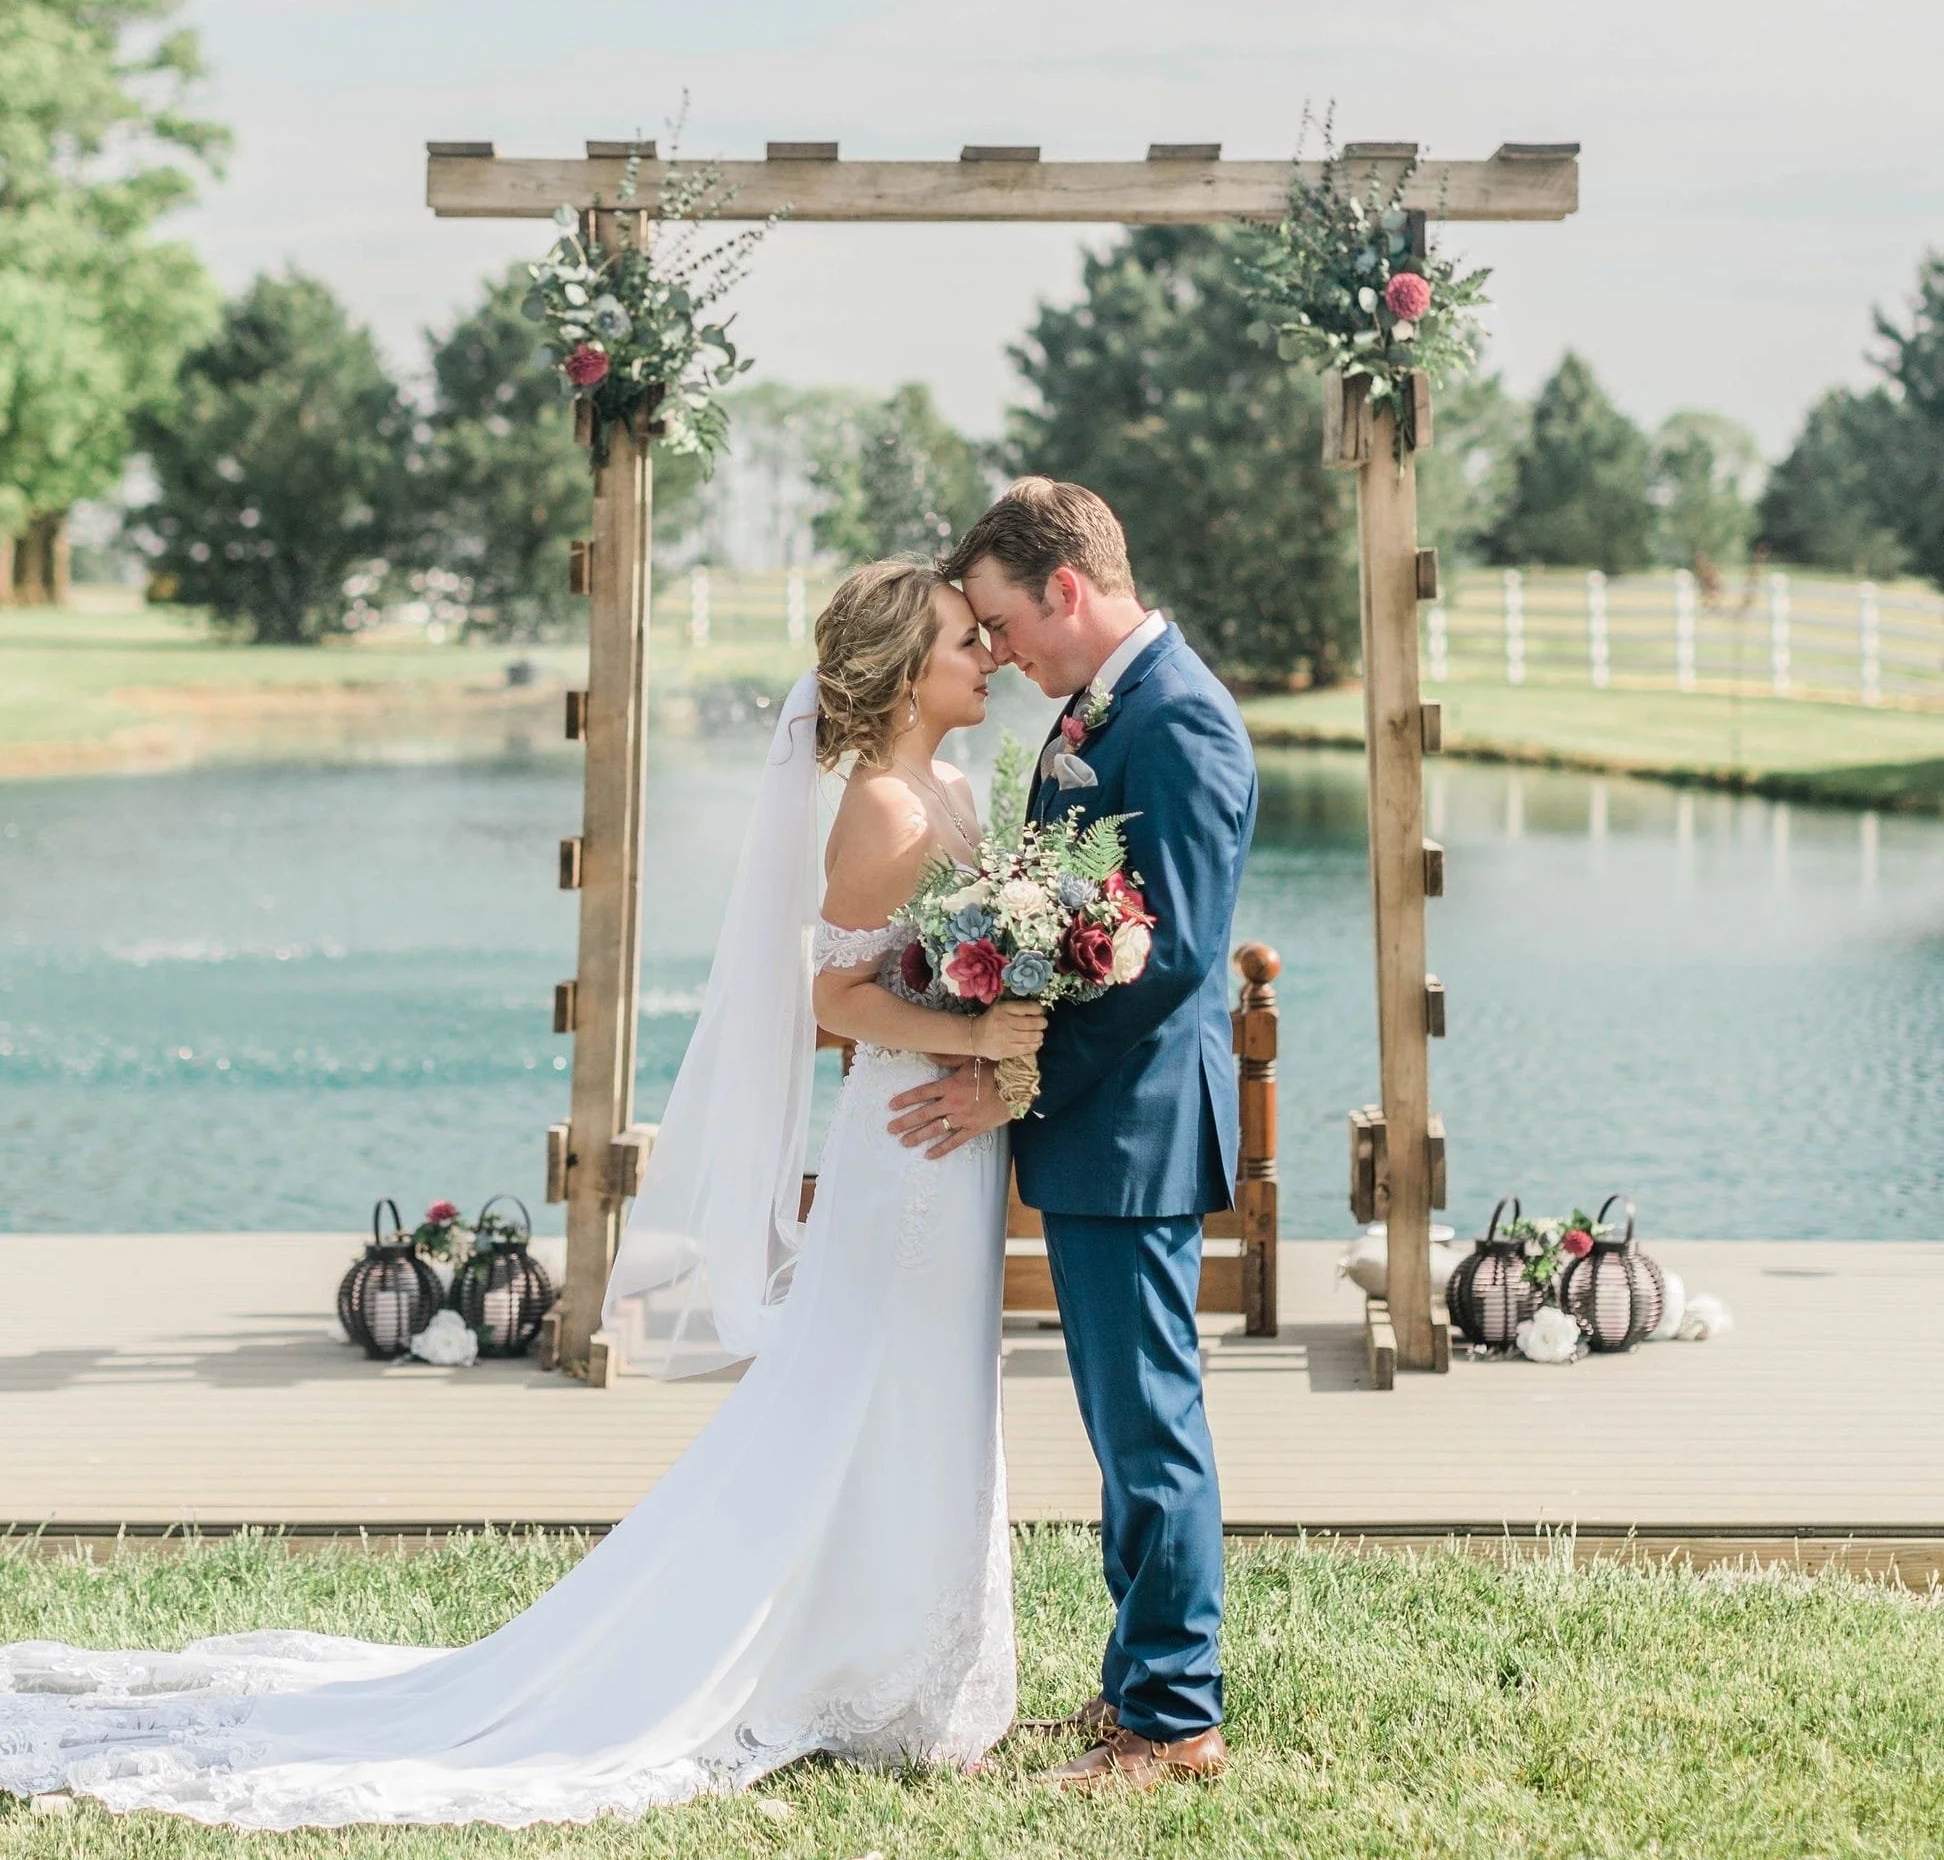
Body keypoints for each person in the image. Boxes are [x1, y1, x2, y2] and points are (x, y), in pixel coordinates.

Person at [0, 562, 1041, 1829]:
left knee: (927, 1389)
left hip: (954, 1136)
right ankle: (862, 1673)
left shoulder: (949, 786)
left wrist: (1006, 1036)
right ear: (899, 670)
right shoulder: (882, 806)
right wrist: (984, 1038)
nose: (985, 654)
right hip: (906, 1147)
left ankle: (907, 1670)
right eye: (960, 640)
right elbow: (831, 998)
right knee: (879, 1389)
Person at [892, 476, 1258, 1791]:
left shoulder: (1182, 723)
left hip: (1132, 1128)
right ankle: (1137, 1695)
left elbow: (1171, 960)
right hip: (1106, 1128)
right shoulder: (1102, 711)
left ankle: (1176, 1719)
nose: (999, 653)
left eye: (1001, 623)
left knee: (1150, 1425)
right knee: (1123, 1424)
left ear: (1068, 589)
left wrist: (1018, 1080)